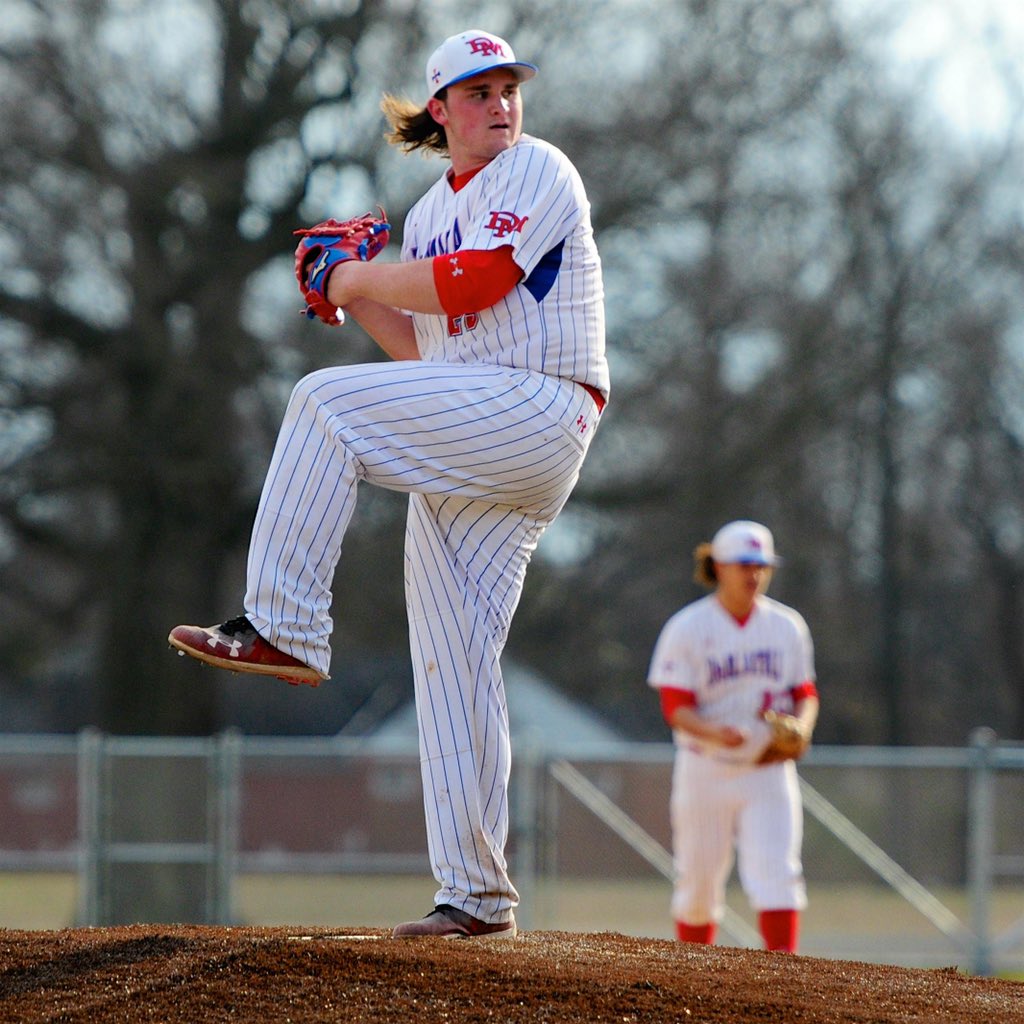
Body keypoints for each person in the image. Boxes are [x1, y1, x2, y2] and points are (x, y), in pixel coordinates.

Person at [168, 28, 608, 940]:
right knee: (452, 662)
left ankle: (283, 623)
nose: (501, 105)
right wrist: (354, 297)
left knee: (323, 404)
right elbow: (423, 356)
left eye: (509, 88)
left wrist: (358, 269)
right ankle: (477, 900)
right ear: (439, 110)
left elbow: (480, 280)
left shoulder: (537, 169)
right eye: (479, 92)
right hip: (475, 428)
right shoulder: (425, 220)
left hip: (538, 410)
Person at [646, 520, 819, 953]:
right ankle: (694, 985)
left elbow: (806, 693)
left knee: (779, 875)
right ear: (718, 566)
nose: (754, 574)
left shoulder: (787, 626)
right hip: (705, 767)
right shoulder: (687, 627)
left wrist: (801, 728)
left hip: (767, 770)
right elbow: (675, 708)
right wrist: (715, 733)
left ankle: (782, 983)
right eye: (744, 564)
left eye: (762, 565)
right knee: (698, 883)